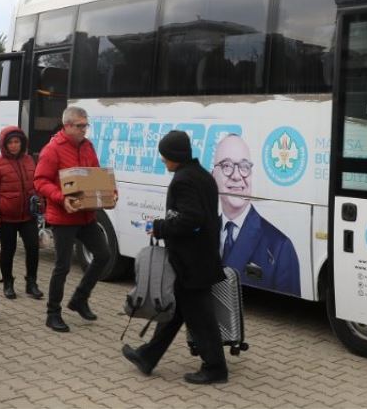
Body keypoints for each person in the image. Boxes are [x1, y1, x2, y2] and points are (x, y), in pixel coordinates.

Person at [121, 130, 228, 384]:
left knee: (201, 319)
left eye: (164, 156)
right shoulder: (202, 175)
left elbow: (192, 219)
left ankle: (215, 368)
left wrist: (160, 227)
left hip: (192, 261)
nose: (162, 160)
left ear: (174, 156)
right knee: (173, 309)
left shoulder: (184, 180)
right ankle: (148, 356)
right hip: (197, 259)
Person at [33, 106, 110, 333]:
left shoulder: (87, 146)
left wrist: (107, 192)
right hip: (63, 216)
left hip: (86, 214)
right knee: (63, 266)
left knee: (104, 255)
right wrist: (60, 197)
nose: (84, 130)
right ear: (66, 126)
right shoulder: (52, 150)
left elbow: (96, 175)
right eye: (79, 126)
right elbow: (40, 181)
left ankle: (79, 298)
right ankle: (52, 313)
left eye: (86, 125)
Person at [212, 134, 300, 296]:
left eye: (244, 166)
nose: (237, 176)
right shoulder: (207, 230)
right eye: (226, 166)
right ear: (213, 176)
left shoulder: (280, 247)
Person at [0, 126, 43, 300]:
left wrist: (41, 204)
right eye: (10, 142)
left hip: (28, 215)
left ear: (22, 143)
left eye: (17, 141)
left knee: (33, 248)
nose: (14, 145)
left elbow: (36, 184)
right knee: (8, 250)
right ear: (5, 144)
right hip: (7, 217)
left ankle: (31, 283)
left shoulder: (29, 160)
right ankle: (8, 282)